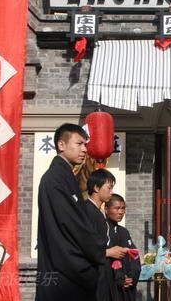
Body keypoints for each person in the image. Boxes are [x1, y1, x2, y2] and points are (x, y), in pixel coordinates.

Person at [36, 123, 107, 301]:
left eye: (85, 144)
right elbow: (72, 224)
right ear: (61, 145)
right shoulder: (56, 178)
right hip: (66, 272)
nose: (84, 149)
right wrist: (98, 248)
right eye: (79, 144)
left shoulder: (64, 175)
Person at [85, 169, 120, 301]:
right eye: (109, 188)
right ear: (96, 187)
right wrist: (109, 252)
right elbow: (86, 245)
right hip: (93, 275)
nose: (111, 192)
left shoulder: (97, 212)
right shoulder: (87, 211)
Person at [105, 194, 141, 301]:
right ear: (106, 209)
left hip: (127, 287)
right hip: (111, 286)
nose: (121, 212)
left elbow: (134, 256)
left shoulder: (124, 231)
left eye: (123, 208)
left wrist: (131, 277)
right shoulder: (104, 230)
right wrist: (120, 278)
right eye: (117, 208)